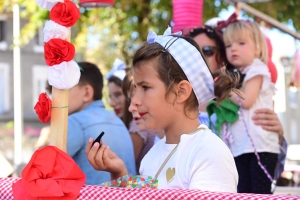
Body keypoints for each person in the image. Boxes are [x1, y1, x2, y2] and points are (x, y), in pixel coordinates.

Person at [86, 28, 239, 192]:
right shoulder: (151, 156)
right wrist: (119, 174)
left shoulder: (208, 153)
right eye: (135, 89)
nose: (133, 104)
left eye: (145, 87)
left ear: (181, 92)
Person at [221, 20, 279, 194]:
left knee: (259, 194)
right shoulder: (241, 74)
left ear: (258, 48)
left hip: (260, 147)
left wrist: (225, 90)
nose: (234, 49)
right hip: (242, 147)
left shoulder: (257, 69)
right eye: (229, 45)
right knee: (244, 192)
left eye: (241, 43)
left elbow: (246, 100)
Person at [67, 61, 136, 185]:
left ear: (87, 92)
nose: (56, 97)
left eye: (65, 89)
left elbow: (43, 167)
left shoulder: (75, 122)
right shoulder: (118, 121)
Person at [107, 60, 156, 174]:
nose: (112, 103)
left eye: (118, 95)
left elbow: (125, 166)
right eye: (110, 97)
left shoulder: (137, 125)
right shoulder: (129, 124)